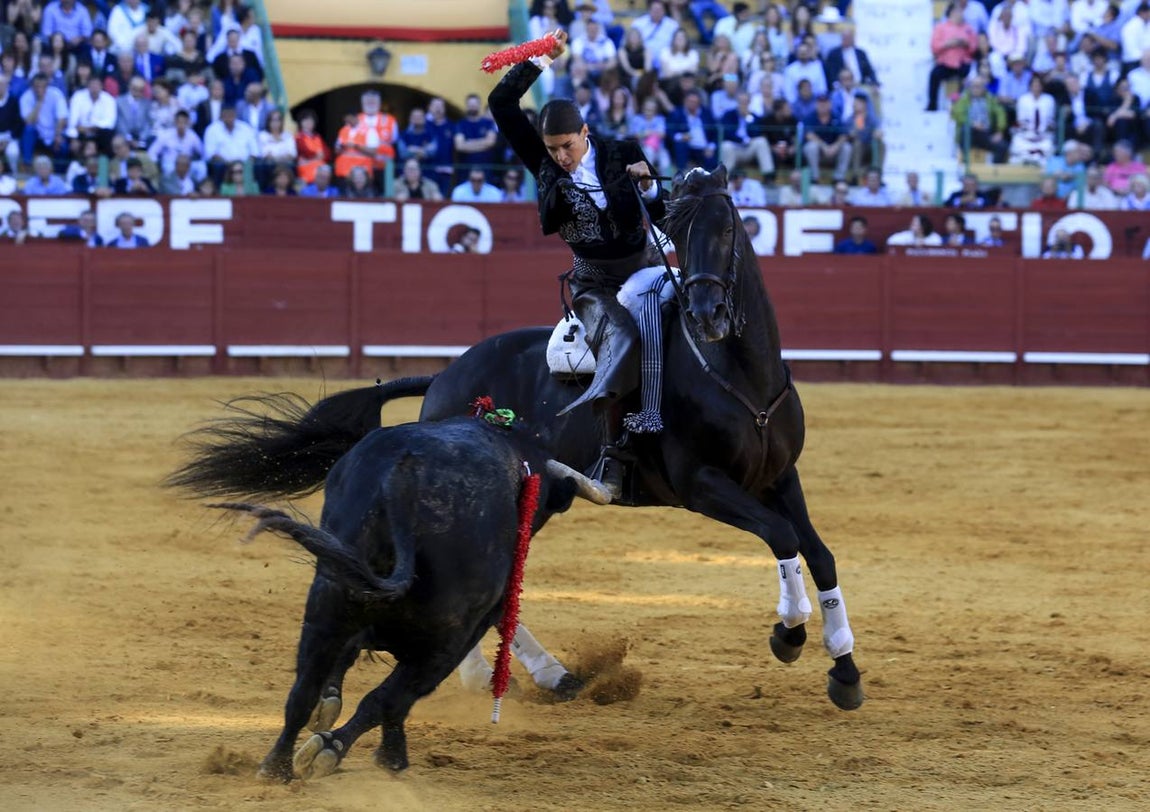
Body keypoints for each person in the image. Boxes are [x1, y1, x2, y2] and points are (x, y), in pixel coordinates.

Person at [488, 28, 667, 498]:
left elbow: (662, 211)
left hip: (647, 269)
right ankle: (612, 457)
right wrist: (542, 57)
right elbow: (502, 104)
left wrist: (647, 187)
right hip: (594, 285)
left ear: (586, 133)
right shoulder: (545, 165)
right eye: (553, 149)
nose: (561, 157)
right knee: (623, 338)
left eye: (568, 145)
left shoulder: (624, 152)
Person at [927, 4, 977, 111]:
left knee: (971, 75)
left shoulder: (968, 28)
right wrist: (948, 44)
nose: (960, 14)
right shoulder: (941, 28)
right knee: (934, 74)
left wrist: (965, 44)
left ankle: (961, 104)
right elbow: (934, 47)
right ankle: (932, 104)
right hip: (946, 64)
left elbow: (974, 47)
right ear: (951, 13)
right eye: (957, 11)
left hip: (963, 63)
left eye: (961, 11)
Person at [952, 75, 1009, 164]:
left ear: (983, 88)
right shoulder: (964, 98)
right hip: (970, 134)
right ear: (970, 87)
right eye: (974, 86)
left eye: (979, 86)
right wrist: (973, 123)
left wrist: (999, 131)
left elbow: (1000, 113)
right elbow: (957, 114)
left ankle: (994, 172)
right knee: (965, 131)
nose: (976, 89)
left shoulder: (990, 99)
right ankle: (966, 168)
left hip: (985, 134)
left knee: (1003, 146)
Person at [294, 108, 331, 186]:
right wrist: (317, 155)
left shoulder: (317, 137)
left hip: (320, 168)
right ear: (301, 122)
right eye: (306, 120)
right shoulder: (298, 137)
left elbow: (328, 153)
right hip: (306, 171)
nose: (308, 123)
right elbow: (304, 151)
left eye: (311, 120)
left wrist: (313, 158)